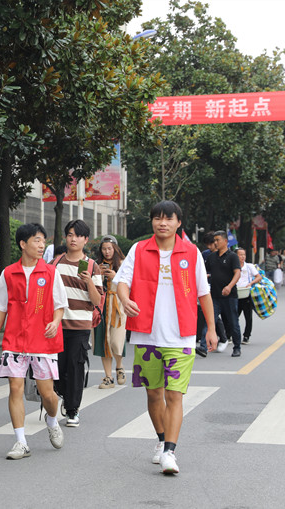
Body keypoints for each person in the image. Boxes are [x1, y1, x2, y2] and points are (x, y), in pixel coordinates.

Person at [115, 200, 217, 475]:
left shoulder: (191, 253)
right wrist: (124, 299)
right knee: (153, 394)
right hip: (146, 335)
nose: (163, 223)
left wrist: (211, 328)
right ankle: (161, 441)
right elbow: (121, 282)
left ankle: (170, 452)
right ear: (152, 222)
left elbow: (203, 292)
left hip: (181, 337)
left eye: (168, 218)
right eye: (158, 218)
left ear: (178, 222)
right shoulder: (139, 249)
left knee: (175, 395)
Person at [0, 223, 68, 460]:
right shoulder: (9, 273)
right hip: (14, 340)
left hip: (42, 340)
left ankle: (52, 420)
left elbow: (60, 305)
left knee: (47, 395)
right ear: (23, 244)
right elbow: (1, 306)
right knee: (15, 388)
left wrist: (55, 322)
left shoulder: (51, 273)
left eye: (43, 240)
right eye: (36, 240)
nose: (41, 245)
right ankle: (21, 442)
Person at [53, 220, 103, 427]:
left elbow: (97, 300)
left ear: (85, 240)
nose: (73, 239)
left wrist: (88, 281)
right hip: (57, 325)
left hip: (80, 326)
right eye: (70, 235)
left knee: (75, 368)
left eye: (78, 235)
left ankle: (73, 409)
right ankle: (64, 395)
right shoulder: (55, 264)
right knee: (57, 369)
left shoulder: (92, 266)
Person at [94, 235, 127, 389]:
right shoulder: (96, 265)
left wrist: (116, 277)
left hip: (117, 306)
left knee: (116, 340)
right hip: (101, 306)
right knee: (103, 341)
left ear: (115, 249)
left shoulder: (123, 264)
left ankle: (119, 366)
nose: (107, 252)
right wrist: (98, 276)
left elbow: (130, 285)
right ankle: (108, 377)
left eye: (109, 248)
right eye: (104, 249)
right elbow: (91, 287)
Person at [204, 231, 242, 357]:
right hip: (214, 296)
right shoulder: (211, 257)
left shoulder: (232, 256)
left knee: (233, 322)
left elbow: (237, 273)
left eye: (218, 240)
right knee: (210, 320)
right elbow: (204, 272)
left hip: (229, 296)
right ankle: (203, 347)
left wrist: (229, 286)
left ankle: (237, 347)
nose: (215, 242)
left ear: (225, 241)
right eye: (214, 240)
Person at [235, 247, 261, 345]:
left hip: (246, 295)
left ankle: (246, 336)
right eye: (240, 254)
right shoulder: (233, 266)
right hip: (235, 294)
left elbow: (259, 277)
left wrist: (251, 283)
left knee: (248, 317)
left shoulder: (249, 266)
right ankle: (229, 335)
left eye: (244, 254)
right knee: (233, 316)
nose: (242, 257)